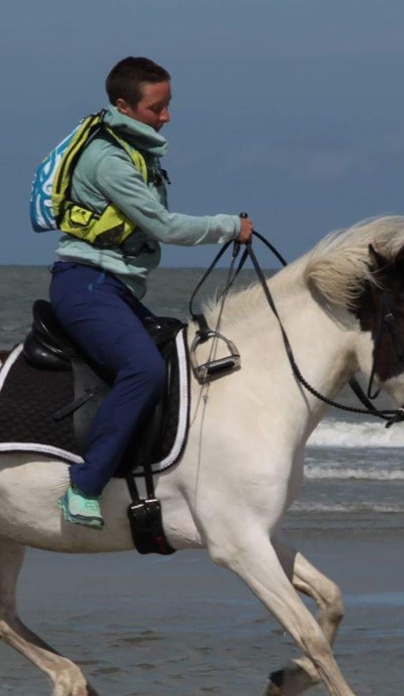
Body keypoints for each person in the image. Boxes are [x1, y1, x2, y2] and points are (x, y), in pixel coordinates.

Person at [50, 56, 253, 528]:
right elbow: (162, 226)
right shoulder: (108, 159)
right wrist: (229, 227)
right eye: (156, 108)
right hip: (87, 286)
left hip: (116, 287)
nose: (166, 117)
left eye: (168, 106)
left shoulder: (136, 150)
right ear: (123, 106)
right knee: (142, 368)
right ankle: (83, 487)